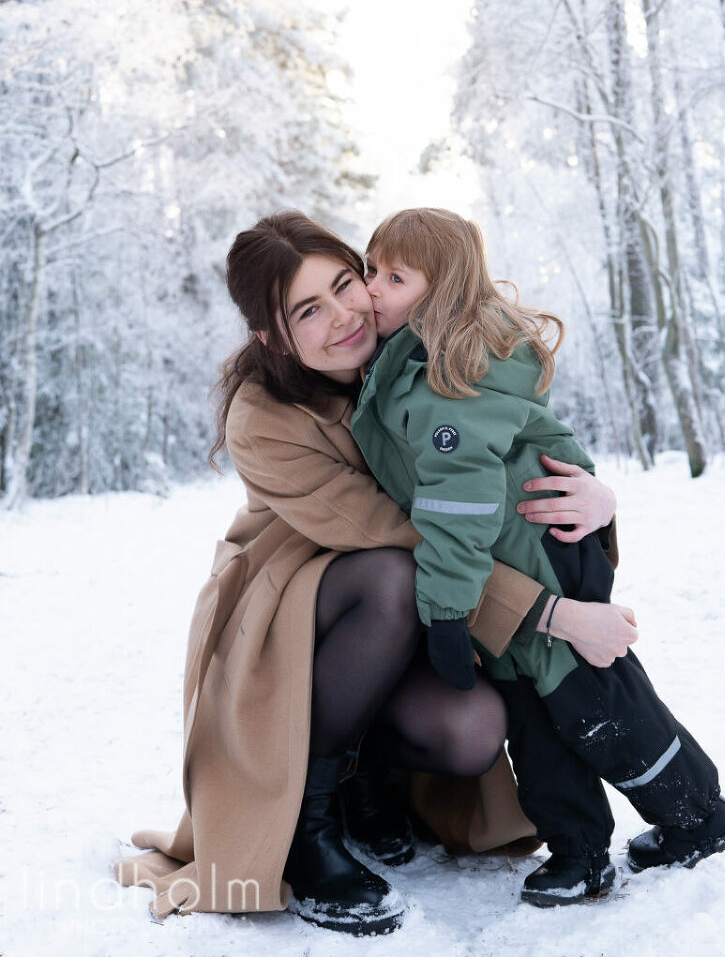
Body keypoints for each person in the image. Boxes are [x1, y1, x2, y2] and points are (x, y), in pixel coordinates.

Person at [115, 211, 635, 935]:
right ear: (271, 335)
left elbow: (509, 448)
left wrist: (595, 497)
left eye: (344, 283)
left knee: (473, 728)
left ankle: (368, 779)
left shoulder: (423, 347)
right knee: (390, 574)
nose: (343, 316)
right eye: (307, 310)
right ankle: (304, 822)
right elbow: (412, 539)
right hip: (297, 610)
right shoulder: (262, 418)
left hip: (421, 598)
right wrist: (554, 615)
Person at [349, 207, 725, 909]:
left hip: (542, 561)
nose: (372, 287)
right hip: (509, 572)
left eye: (394, 275)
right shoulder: (411, 366)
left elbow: (458, 501)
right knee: (536, 720)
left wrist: (445, 610)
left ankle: (699, 817)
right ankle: (580, 851)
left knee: (596, 702)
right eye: (372, 269)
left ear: (439, 290)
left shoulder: (450, 377)